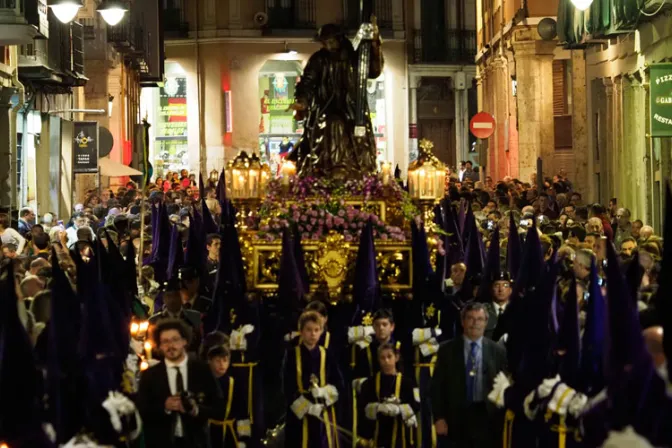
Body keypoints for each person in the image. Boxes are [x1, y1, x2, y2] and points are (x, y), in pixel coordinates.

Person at [287, 22, 382, 180]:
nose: (328, 46)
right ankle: (337, 167)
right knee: (334, 123)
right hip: (325, 109)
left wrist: (375, 47)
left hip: (352, 109)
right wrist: (302, 102)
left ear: (339, 39)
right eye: (324, 43)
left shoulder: (355, 58)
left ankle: (357, 171)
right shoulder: (318, 60)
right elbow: (307, 83)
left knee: (357, 134)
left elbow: (373, 71)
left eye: (330, 42)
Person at [430, 302, 507, 448]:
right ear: (462, 321)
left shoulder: (497, 351)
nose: (475, 323)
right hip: (455, 419)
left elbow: (503, 388)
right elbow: (437, 387)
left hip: (487, 420)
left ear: (486, 322)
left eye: (479, 319)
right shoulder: (446, 350)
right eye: (470, 318)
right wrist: (439, 418)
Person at [137, 319, 223, 448]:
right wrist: (164, 407)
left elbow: (219, 408)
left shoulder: (202, 370)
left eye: (175, 340)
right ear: (159, 346)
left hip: (197, 443)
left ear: (185, 341)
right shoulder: (151, 375)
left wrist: (196, 410)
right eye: (165, 342)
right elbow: (141, 410)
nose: (170, 346)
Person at [283, 311, 341, 448]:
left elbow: (339, 383)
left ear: (321, 332)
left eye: (316, 330)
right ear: (301, 331)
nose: (313, 334)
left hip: (323, 412)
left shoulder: (327, 354)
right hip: (299, 416)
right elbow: (287, 386)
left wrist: (324, 393)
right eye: (309, 330)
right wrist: (306, 407)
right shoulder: (292, 354)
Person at [358, 343, 419, 447]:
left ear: (396, 357)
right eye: (382, 358)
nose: (386, 361)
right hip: (378, 435)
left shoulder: (408, 383)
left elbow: (416, 405)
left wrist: (400, 409)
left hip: (401, 435)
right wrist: (378, 407)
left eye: (389, 357)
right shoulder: (369, 383)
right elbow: (362, 407)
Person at [206, 344, 251, 448]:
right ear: (210, 361)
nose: (222, 364)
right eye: (218, 361)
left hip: (230, 433)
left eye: (225, 360)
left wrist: (243, 438)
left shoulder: (234, 384)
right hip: (209, 431)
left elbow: (243, 411)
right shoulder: (205, 383)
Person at [484, 272, 512, 340]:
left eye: (505, 285)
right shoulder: (482, 311)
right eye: (496, 285)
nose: (500, 289)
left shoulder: (518, 311)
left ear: (510, 290)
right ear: (491, 289)